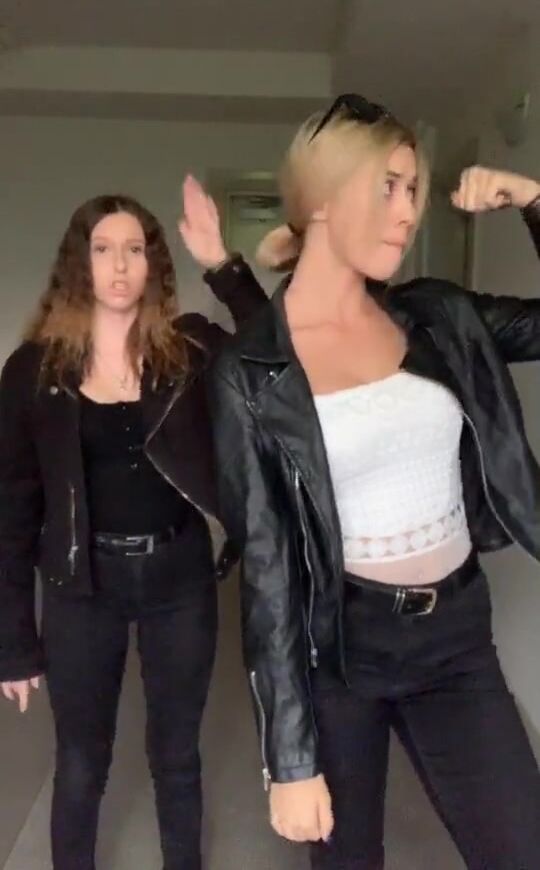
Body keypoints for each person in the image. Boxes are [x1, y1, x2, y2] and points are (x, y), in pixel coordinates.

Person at [206, 94, 540, 869]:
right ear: (323, 198)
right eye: (388, 186)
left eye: (414, 189)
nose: (409, 211)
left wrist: (533, 198)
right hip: (339, 651)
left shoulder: (440, 318)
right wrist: (289, 757)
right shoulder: (251, 370)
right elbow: (267, 569)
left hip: (456, 638)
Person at [0, 177, 266, 870]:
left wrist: (224, 264)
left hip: (179, 579)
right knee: (81, 760)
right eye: (102, 248)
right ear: (78, 262)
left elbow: (277, 356)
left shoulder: (191, 350)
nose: (119, 264)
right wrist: (13, 642)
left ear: (154, 264)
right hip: (80, 586)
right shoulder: (32, 371)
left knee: (177, 755)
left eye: (136, 249)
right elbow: (11, 510)